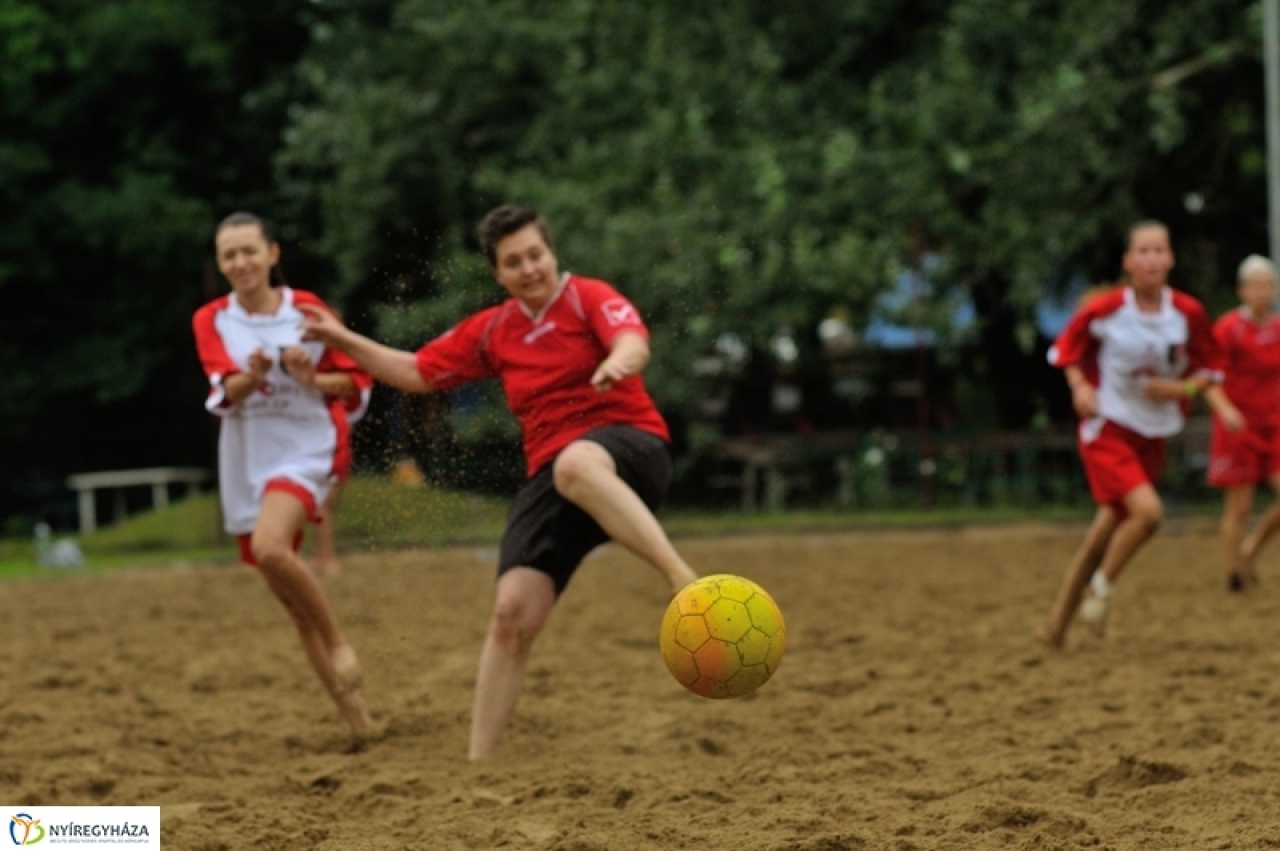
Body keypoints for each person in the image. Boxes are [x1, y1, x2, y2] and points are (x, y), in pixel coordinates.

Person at [299, 203, 699, 759]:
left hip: (628, 444)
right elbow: (417, 372)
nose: (529, 268)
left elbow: (633, 340)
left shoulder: (587, 297)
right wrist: (342, 339)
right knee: (511, 610)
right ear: (498, 274)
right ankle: (478, 764)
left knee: (576, 464)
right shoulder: (494, 331)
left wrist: (619, 363)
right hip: (557, 474)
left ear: (551, 253)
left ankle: (683, 581)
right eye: (514, 262)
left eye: (536, 254)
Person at [192, 211, 375, 742]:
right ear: (221, 265)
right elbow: (220, 392)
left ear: (272, 254)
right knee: (295, 611)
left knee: (273, 547)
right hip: (247, 459)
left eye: (249, 250)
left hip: (306, 446)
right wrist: (251, 376)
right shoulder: (212, 320)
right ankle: (358, 722)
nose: (240, 262)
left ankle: (340, 641)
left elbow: (357, 384)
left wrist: (310, 377)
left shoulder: (309, 311)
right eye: (229, 255)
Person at [1038, 220, 1243, 649]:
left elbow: (1212, 370)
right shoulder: (1107, 310)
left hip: (1152, 434)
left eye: (1159, 250)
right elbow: (1065, 352)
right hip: (1108, 429)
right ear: (1128, 262)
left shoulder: (1186, 313)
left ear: (1170, 259)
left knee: (1103, 533)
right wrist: (1080, 387)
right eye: (1143, 251)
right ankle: (1100, 589)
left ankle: (1056, 627)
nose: (1151, 259)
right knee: (1148, 513)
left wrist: (1180, 388)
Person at [1208, 255, 1280, 593]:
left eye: (1269, 285)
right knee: (1241, 505)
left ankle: (1252, 548)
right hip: (1239, 426)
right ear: (1242, 290)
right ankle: (1234, 571)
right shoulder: (1227, 329)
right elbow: (1210, 378)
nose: (1264, 292)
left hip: (1275, 423)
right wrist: (1225, 409)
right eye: (1257, 286)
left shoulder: (1278, 329)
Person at [310, 309, 371, 579]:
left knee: (324, 502)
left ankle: (325, 558)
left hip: (333, 437)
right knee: (319, 502)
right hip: (323, 436)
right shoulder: (308, 359)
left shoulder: (344, 362)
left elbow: (356, 401)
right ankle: (322, 558)